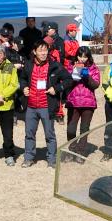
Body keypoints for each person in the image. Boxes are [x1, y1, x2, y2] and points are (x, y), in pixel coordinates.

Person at [18, 40, 70, 168]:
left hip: (47, 106)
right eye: (40, 50)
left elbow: (68, 79)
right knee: (29, 133)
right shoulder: (28, 65)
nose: (43, 53)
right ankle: (28, 158)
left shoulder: (55, 66)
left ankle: (52, 159)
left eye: (45, 50)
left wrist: (56, 88)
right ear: (34, 52)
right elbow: (22, 78)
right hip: (31, 106)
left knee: (49, 134)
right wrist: (24, 87)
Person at [64, 45, 101, 158]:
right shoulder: (70, 66)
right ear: (77, 56)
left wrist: (87, 76)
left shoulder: (93, 68)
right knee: (71, 128)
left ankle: (80, 152)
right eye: (80, 56)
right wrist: (73, 74)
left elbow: (96, 85)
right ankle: (72, 148)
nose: (82, 59)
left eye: (85, 57)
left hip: (88, 103)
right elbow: (66, 83)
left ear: (89, 57)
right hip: (73, 101)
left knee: (84, 129)